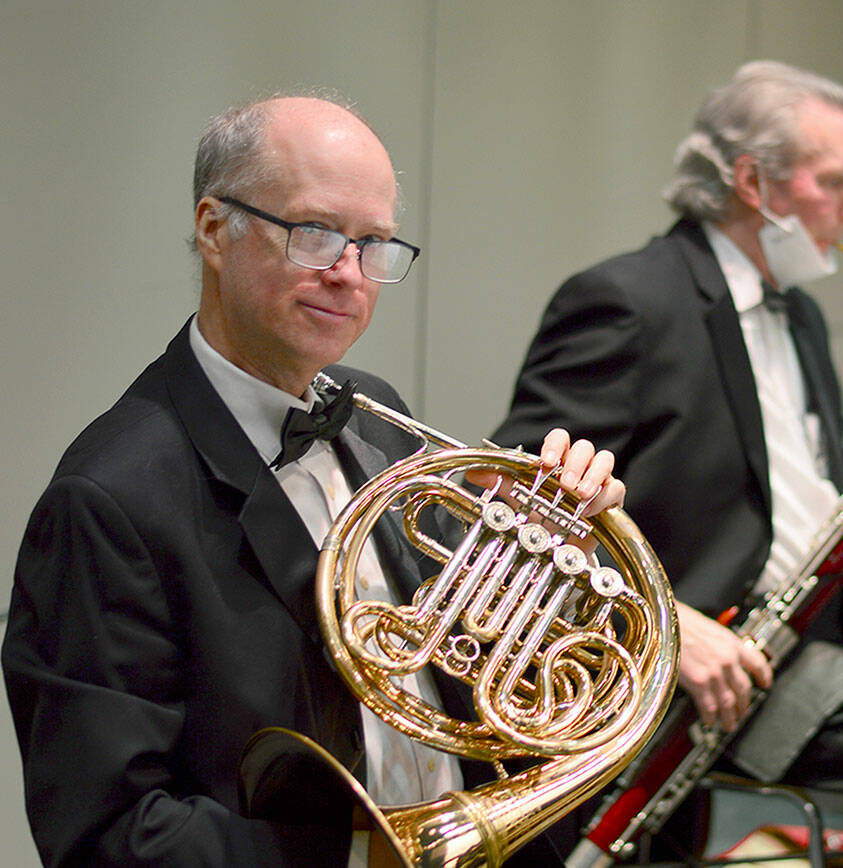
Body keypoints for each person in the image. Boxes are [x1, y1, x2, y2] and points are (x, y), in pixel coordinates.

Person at [2, 94, 625, 867]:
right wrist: (366, 859)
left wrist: (548, 567)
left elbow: (464, 670)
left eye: (374, 244)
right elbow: (108, 834)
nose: (348, 274)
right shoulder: (110, 500)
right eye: (315, 234)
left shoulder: (375, 416)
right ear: (212, 228)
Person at [494, 61, 843, 868]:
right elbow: (519, 515)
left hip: (830, 624)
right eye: (835, 183)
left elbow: (802, 481)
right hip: (723, 663)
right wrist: (670, 629)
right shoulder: (628, 301)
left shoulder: (802, 313)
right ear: (753, 182)